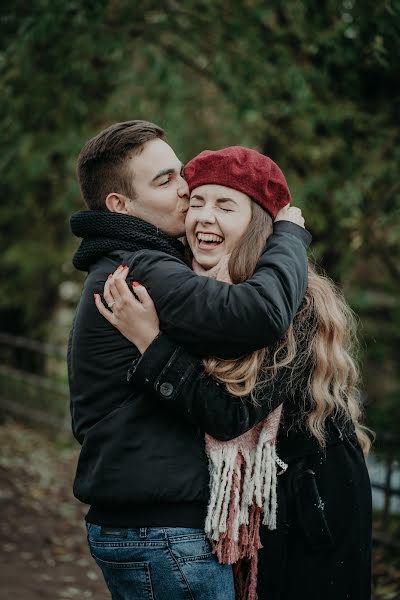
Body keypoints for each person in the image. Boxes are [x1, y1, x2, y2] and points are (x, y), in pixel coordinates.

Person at [96, 146, 373, 600]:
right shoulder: (184, 292)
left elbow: (228, 412)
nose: (205, 217)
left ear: (258, 225)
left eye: (226, 206)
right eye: (198, 201)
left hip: (310, 501)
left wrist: (151, 344)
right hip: (235, 510)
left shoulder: (295, 303)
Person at [68, 121, 311, 600]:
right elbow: (260, 314)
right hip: (161, 533)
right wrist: (289, 234)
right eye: (164, 182)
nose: (185, 189)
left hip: (150, 527)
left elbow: (221, 405)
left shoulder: (144, 262)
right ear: (120, 205)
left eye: (179, 174)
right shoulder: (141, 268)